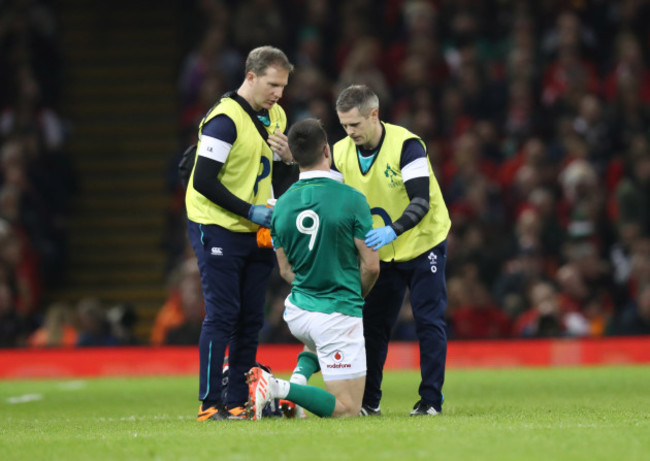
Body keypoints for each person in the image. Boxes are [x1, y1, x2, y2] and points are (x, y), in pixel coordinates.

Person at [184, 45, 296, 421]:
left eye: (283, 85)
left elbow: (273, 179)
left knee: (250, 317)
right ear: (251, 77)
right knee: (222, 314)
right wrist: (250, 210)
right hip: (217, 225)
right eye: (272, 84)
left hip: (256, 229)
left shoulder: (276, 116)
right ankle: (208, 404)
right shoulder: (225, 119)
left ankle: (235, 402)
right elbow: (202, 181)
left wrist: (286, 162)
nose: (279, 93)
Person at [246, 118, 380, 419]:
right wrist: (353, 297)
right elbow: (371, 266)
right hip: (336, 314)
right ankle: (276, 387)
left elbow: (284, 271)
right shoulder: (353, 199)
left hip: (298, 312)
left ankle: (296, 384)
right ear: (326, 150)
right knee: (349, 410)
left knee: (314, 342)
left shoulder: (280, 206)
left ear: (292, 155)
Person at [332, 84, 451, 416]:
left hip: (422, 241)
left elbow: (421, 201)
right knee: (374, 325)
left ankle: (430, 401)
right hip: (380, 251)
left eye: (354, 124)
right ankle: (370, 402)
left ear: (374, 115)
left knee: (428, 320)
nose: (349, 132)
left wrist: (393, 231)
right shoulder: (340, 153)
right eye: (343, 125)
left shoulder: (407, 146)